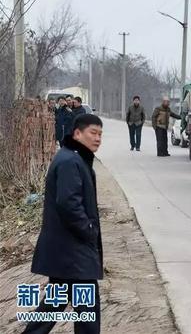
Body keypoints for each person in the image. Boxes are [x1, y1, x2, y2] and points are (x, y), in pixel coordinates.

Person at [24, 114, 103, 334]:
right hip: (73, 253)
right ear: (77, 134)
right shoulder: (70, 161)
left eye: (100, 134)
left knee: (53, 307)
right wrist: (89, 230)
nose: (97, 139)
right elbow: (68, 204)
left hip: (67, 253)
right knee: (87, 312)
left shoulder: (73, 158)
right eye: (93, 133)